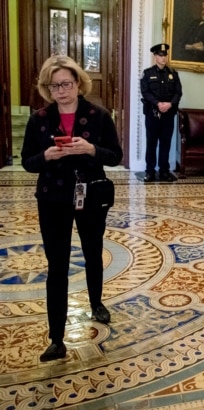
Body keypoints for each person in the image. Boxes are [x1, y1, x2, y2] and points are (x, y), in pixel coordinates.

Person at [21, 55, 123, 362]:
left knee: (93, 251)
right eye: (54, 86)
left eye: (66, 84)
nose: (61, 91)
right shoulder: (39, 119)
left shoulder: (99, 115)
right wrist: (47, 156)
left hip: (90, 194)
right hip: (53, 198)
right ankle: (56, 338)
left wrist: (90, 149)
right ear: (47, 88)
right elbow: (27, 161)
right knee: (58, 266)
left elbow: (116, 156)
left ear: (78, 83)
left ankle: (96, 303)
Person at [140, 43, 183, 182]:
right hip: (153, 114)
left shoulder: (173, 74)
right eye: (160, 55)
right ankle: (150, 171)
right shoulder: (148, 73)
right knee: (151, 143)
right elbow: (145, 92)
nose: (163, 58)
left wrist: (169, 104)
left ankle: (164, 171)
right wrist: (158, 104)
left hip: (168, 114)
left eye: (165, 55)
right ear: (155, 56)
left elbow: (178, 92)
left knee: (166, 143)